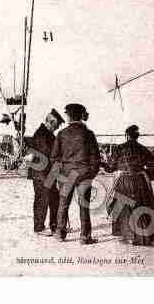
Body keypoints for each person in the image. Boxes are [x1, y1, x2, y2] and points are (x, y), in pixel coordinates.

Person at [50, 103, 101, 245]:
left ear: (69, 116)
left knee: (63, 204)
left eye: (66, 115)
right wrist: (90, 174)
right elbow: (96, 158)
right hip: (84, 174)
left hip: (67, 175)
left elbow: (54, 157)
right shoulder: (88, 134)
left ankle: (60, 233)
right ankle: (85, 237)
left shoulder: (61, 134)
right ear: (80, 116)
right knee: (84, 205)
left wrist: (61, 173)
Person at [103, 125, 154, 246]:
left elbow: (110, 168)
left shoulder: (118, 148)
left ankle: (126, 234)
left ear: (126, 135)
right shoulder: (143, 149)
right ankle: (143, 236)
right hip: (140, 181)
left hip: (123, 181)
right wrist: (146, 174)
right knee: (142, 206)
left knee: (123, 207)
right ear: (137, 136)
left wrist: (102, 163)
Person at [26, 109, 64, 236]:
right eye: (57, 125)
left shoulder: (47, 134)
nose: (57, 128)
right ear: (51, 122)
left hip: (47, 173)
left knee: (54, 199)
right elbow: (48, 154)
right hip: (41, 174)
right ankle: (39, 228)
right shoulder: (42, 134)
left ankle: (54, 226)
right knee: (42, 200)